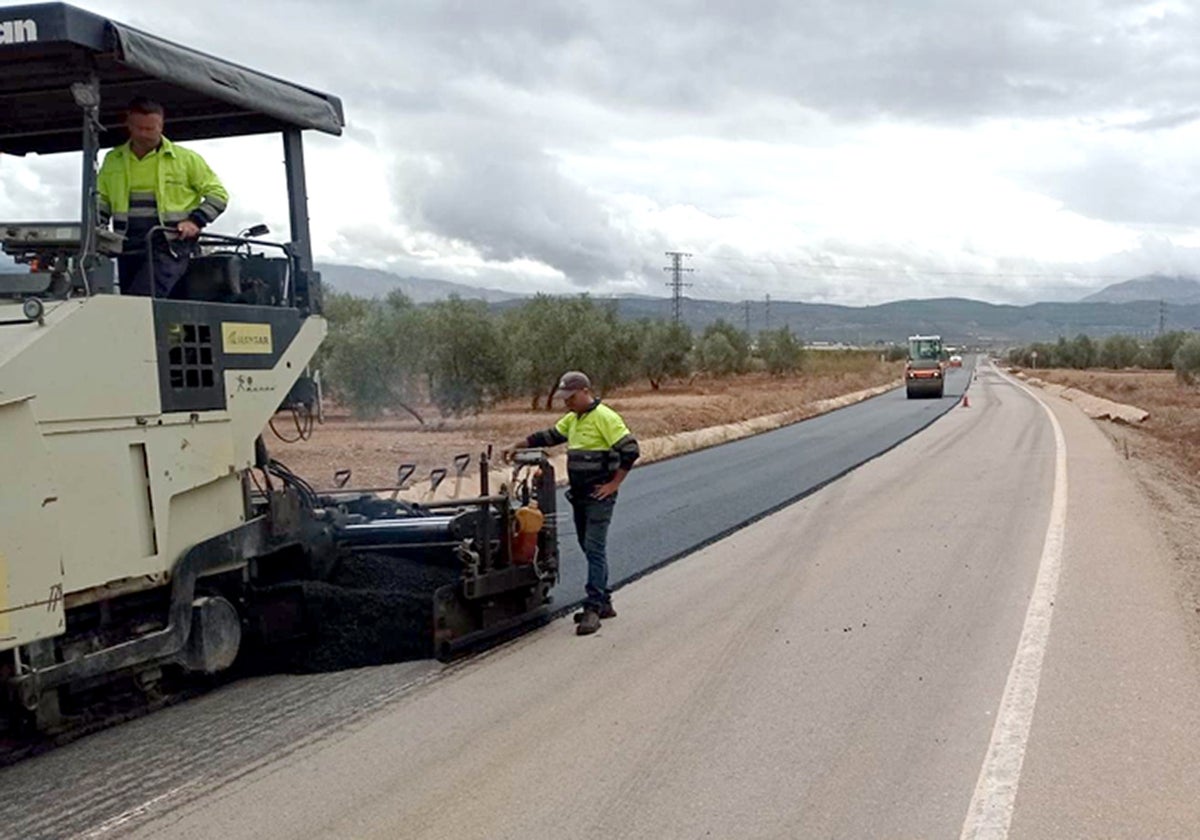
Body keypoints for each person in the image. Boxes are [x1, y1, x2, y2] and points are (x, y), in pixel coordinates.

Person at [506, 371, 639, 636]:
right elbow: (549, 436)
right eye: (564, 398)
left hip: (599, 497)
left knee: (594, 547)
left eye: (571, 397)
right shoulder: (573, 419)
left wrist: (613, 485)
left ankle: (592, 607)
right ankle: (604, 602)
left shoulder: (606, 418)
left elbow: (631, 450)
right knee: (588, 548)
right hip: (579, 496)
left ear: (585, 391)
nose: (567, 402)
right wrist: (516, 446)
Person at [96, 97, 228, 297]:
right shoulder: (113, 160)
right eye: (140, 128)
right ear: (128, 125)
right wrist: (97, 229)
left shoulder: (186, 159)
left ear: (161, 125)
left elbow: (218, 195)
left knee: (139, 300)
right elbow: (101, 200)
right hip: (128, 245)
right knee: (132, 300)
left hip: (169, 243)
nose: (145, 134)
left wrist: (195, 221)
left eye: (151, 129)